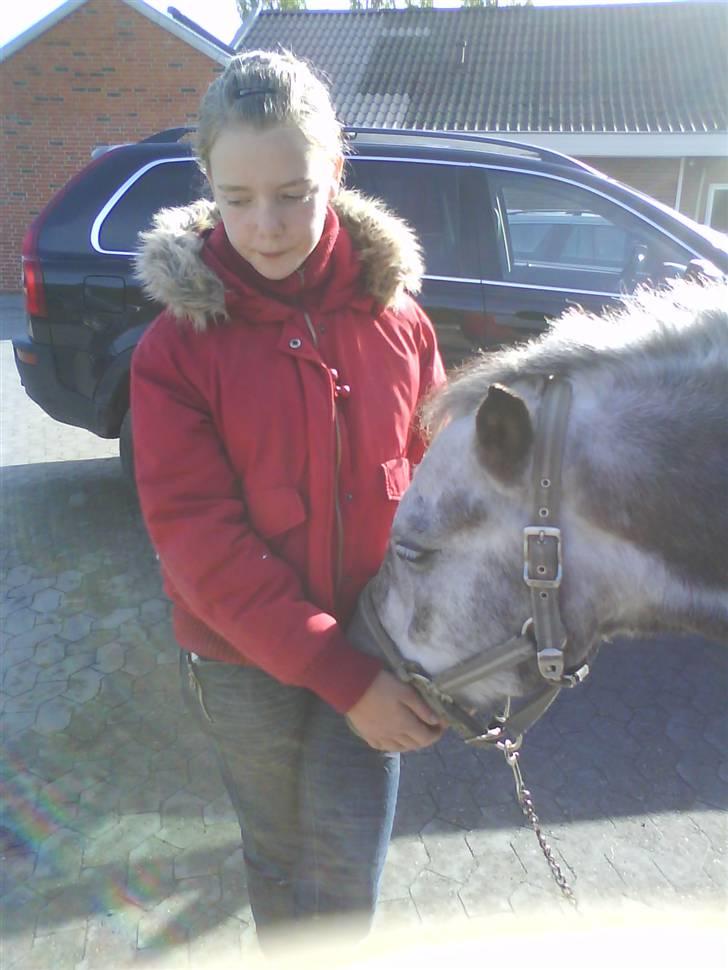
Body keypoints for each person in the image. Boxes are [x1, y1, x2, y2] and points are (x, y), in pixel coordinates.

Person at [131, 50, 446, 951]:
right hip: (243, 667)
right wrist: (341, 677)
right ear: (207, 186)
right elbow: (200, 546)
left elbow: (433, 490)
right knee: (277, 855)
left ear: (337, 167)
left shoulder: (401, 320)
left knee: (346, 869)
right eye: (236, 199)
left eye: (293, 193)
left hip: (375, 642)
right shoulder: (176, 350)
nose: (264, 227)